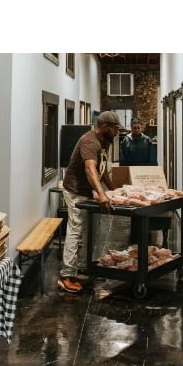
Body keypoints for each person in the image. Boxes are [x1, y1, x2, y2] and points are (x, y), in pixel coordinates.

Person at [59, 111, 122, 295]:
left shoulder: (105, 142)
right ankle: (66, 275)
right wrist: (102, 194)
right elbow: (90, 169)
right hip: (75, 191)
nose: (117, 132)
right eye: (115, 128)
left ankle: (82, 268)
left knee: (90, 230)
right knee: (76, 229)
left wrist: (115, 190)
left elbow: (101, 170)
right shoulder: (89, 141)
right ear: (104, 127)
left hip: (87, 192)